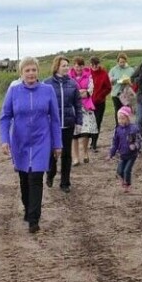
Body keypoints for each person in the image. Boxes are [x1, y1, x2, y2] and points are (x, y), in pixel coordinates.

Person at [0, 56, 62, 234]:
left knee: (35, 178)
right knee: (24, 179)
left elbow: (55, 120)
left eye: (33, 69)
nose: (31, 73)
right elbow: (4, 117)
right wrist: (5, 140)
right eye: (27, 70)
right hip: (20, 141)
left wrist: (57, 144)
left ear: (38, 72)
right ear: (21, 73)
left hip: (42, 140)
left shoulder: (48, 90)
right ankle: (28, 209)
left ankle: (34, 219)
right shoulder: (14, 91)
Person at [43, 55, 84, 193]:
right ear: (57, 67)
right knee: (51, 153)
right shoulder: (47, 83)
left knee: (67, 154)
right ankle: (50, 174)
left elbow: (78, 104)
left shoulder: (72, 84)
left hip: (68, 124)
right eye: (64, 65)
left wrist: (79, 121)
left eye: (67, 65)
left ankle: (65, 182)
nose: (66, 68)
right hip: (51, 125)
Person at [109, 105, 142, 193]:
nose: (120, 120)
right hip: (122, 154)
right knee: (120, 171)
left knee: (127, 170)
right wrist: (111, 153)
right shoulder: (117, 130)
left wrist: (135, 146)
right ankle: (123, 179)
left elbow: (140, 140)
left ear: (128, 118)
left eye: (123, 118)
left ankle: (127, 185)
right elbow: (115, 143)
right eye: (119, 118)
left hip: (132, 155)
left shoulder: (134, 129)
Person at [69, 57, 96, 165]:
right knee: (74, 134)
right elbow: (70, 90)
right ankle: (75, 157)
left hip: (86, 106)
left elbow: (90, 90)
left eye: (80, 65)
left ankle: (84, 152)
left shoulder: (88, 75)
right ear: (73, 66)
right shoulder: (69, 77)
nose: (78, 68)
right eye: (76, 65)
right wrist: (79, 93)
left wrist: (84, 93)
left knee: (85, 132)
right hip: (73, 107)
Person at [88, 56, 112, 152]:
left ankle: (94, 143)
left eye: (96, 65)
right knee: (89, 122)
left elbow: (108, 87)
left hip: (100, 103)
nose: (94, 67)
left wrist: (101, 95)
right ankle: (88, 140)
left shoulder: (103, 73)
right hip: (88, 103)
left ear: (99, 64)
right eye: (92, 65)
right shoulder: (87, 73)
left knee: (97, 122)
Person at [108, 52, 136, 127]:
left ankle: (128, 126)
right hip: (116, 94)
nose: (122, 63)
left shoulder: (131, 70)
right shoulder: (113, 70)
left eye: (123, 62)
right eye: (120, 62)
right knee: (118, 111)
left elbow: (133, 81)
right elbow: (110, 80)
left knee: (127, 111)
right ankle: (118, 126)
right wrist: (118, 80)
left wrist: (129, 81)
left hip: (127, 94)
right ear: (117, 62)